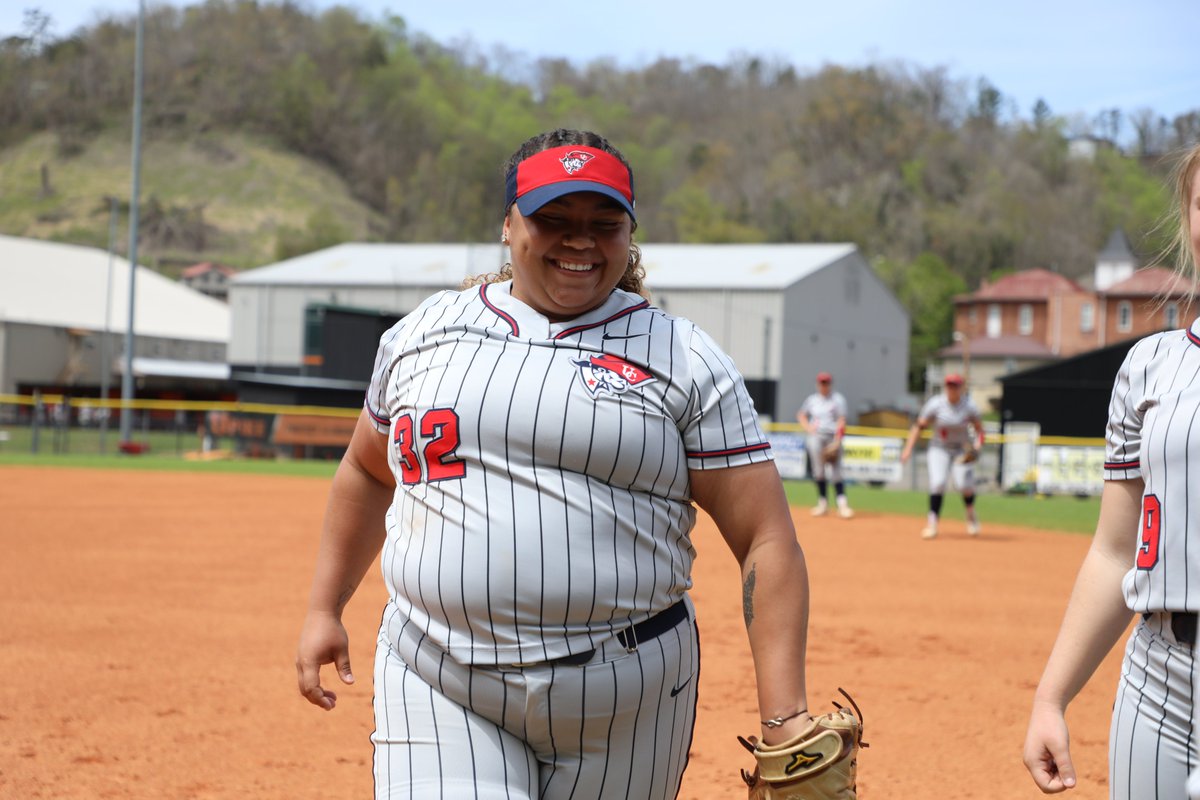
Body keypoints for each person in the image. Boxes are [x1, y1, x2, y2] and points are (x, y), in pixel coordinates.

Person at [294, 128, 813, 799]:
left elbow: (764, 536)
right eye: (553, 219)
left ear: (630, 236)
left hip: (629, 694)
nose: (580, 240)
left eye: (604, 223)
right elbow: (367, 470)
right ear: (509, 227)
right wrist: (323, 607)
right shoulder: (424, 334)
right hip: (440, 673)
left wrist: (784, 717)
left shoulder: (684, 358)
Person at [1023, 143, 1200, 797]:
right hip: (1158, 675)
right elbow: (1114, 550)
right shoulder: (1149, 366)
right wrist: (1052, 696)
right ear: (1188, 219)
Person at [899, 372, 984, 539]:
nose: (952, 388)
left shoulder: (969, 406)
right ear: (945, 387)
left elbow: (980, 430)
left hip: (961, 449)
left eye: (956, 385)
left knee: (964, 487)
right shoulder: (935, 404)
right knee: (938, 483)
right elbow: (918, 426)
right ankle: (932, 523)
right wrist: (908, 449)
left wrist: (977, 446)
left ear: (961, 387)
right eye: (949, 385)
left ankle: (971, 514)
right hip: (939, 448)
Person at [797, 371, 853, 518]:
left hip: (832, 437)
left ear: (830, 384)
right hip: (817, 437)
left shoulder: (837, 399)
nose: (824, 385)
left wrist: (838, 440)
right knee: (819, 471)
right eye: (822, 382)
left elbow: (842, 420)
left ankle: (842, 506)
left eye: (826, 382)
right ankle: (822, 504)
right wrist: (808, 428)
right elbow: (801, 414)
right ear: (817, 384)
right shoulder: (812, 400)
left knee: (837, 472)